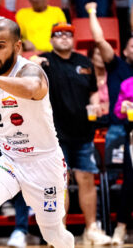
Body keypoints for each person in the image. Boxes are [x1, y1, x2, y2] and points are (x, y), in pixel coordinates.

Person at [0, 18, 75, 248]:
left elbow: (32, 89)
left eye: (0, 45)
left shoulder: (31, 71)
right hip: (11, 161)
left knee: (53, 234)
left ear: (17, 46)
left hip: (44, 164)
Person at [33, 22, 112, 245]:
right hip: (55, 136)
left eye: (69, 34)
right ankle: (59, 231)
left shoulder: (84, 62)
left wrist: (96, 106)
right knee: (60, 184)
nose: (64, 37)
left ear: (73, 39)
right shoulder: (45, 60)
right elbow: (28, 67)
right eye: (58, 34)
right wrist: (34, 62)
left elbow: (94, 93)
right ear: (51, 40)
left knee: (87, 179)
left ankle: (91, 229)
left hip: (84, 133)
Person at [86, 2, 133, 166]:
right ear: (125, 51)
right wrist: (92, 11)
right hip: (118, 128)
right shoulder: (116, 65)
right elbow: (99, 40)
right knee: (112, 171)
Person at [112, 77, 133, 245]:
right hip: (132, 136)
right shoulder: (127, 83)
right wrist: (124, 107)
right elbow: (118, 111)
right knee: (130, 182)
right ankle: (121, 227)